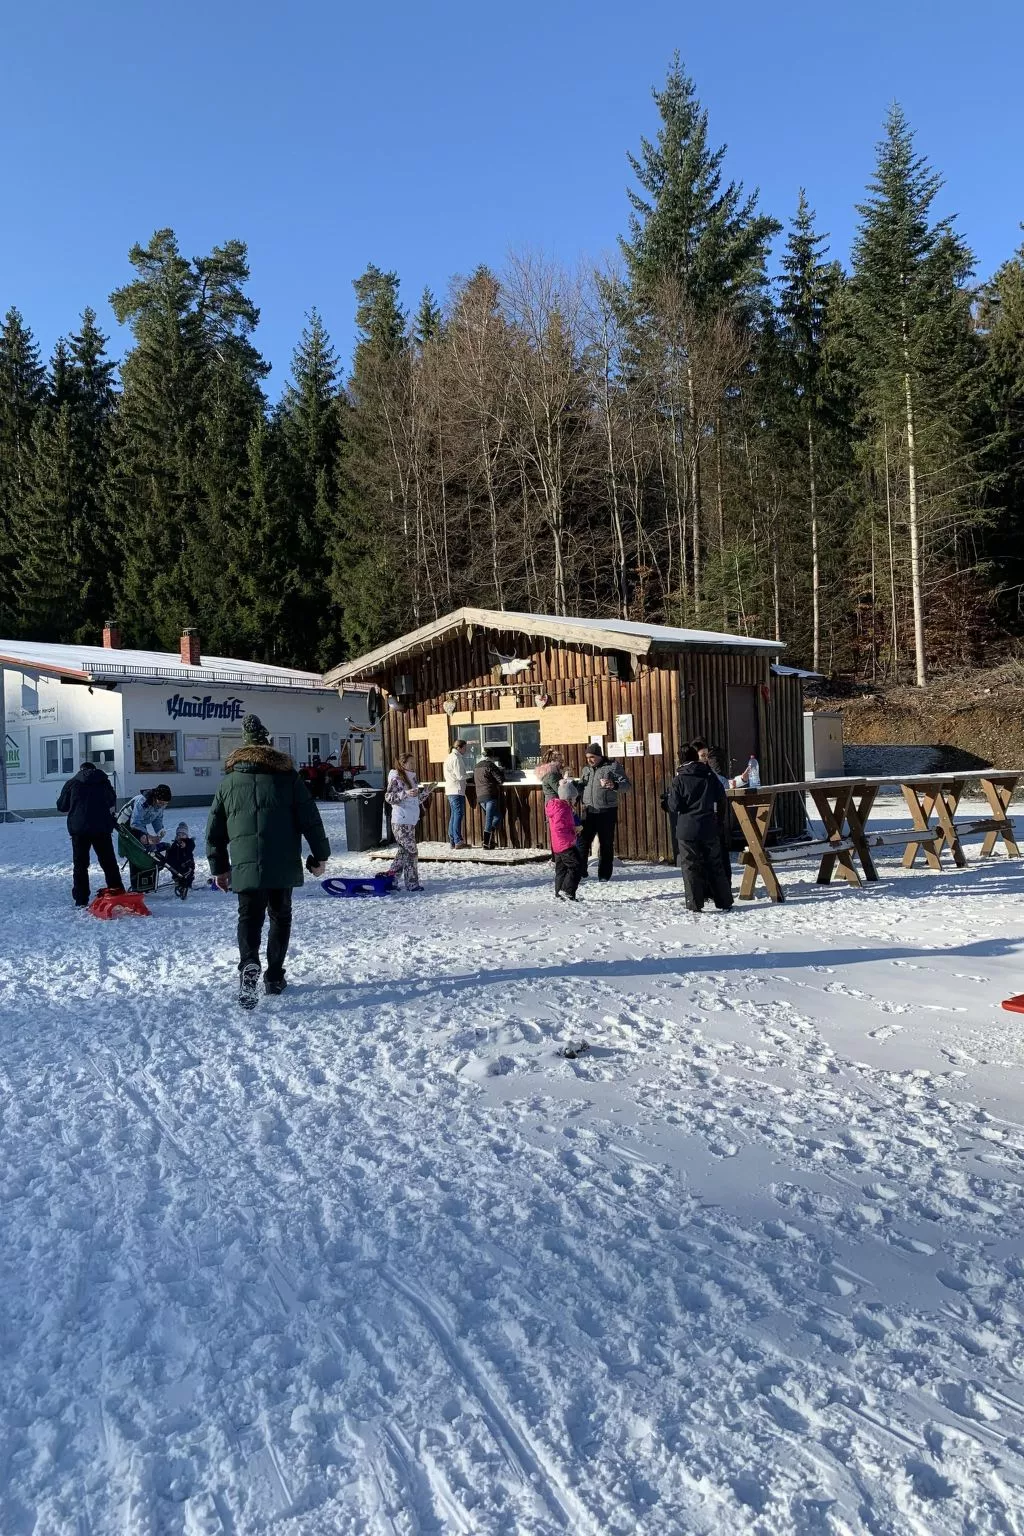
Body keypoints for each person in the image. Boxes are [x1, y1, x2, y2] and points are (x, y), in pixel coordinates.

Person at [206, 714, 329, 1009]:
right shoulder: (288, 777)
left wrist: (219, 868)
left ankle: (248, 966)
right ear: (268, 744)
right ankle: (274, 976)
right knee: (280, 916)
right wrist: (319, 856)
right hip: (282, 862)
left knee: (248, 917)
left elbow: (214, 830)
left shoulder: (229, 782)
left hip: (246, 864)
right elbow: (309, 817)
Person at [666, 746, 733, 912]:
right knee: (715, 864)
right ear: (696, 757)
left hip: (686, 828)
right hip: (708, 825)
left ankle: (695, 903)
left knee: (690, 866)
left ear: (680, 760)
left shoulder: (679, 779)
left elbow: (674, 806)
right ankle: (724, 901)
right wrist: (718, 820)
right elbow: (721, 797)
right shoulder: (709, 775)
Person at [56, 761, 125, 908]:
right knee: (108, 862)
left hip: (79, 829)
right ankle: (117, 890)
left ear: (80, 770)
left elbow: (62, 806)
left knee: (80, 864)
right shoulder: (103, 781)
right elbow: (111, 801)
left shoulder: (72, 783)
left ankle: (81, 898)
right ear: (95, 769)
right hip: (101, 827)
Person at [578, 744, 630, 881]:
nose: (589, 760)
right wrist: (571, 787)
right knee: (582, 842)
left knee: (606, 843)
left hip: (606, 811)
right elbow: (581, 786)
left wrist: (614, 785)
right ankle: (581, 871)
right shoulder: (586, 770)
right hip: (588, 810)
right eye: (587, 757)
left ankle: (604, 875)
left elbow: (627, 785)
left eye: (592, 757)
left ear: (599, 756)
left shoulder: (612, 767)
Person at [385, 753, 430, 890]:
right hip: (400, 821)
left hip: (410, 820)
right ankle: (411, 884)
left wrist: (426, 792)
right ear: (403, 764)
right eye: (410, 763)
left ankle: (390, 881)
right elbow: (389, 797)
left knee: (404, 852)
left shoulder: (411, 778)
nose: (413, 765)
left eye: (414, 762)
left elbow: (414, 801)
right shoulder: (397, 778)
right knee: (411, 852)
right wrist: (405, 793)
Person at [546, 780, 585, 901]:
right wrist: (574, 830)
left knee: (561, 870)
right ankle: (567, 891)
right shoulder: (563, 809)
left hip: (558, 845)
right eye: (574, 798)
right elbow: (560, 827)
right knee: (576, 866)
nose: (575, 801)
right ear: (568, 798)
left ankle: (560, 894)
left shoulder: (559, 807)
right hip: (565, 844)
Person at [474, 749, 505, 850]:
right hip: (490, 795)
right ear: (491, 756)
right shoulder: (491, 765)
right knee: (490, 818)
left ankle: (489, 836)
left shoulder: (476, 766)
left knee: (498, 816)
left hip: (480, 796)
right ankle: (486, 843)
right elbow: (500, 780)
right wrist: (501, 771)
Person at [443, 739, 469, 849]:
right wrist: (470, 775)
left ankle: (453, 840)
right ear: (459, 747)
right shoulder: (456, 758)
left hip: (451, 789)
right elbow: (460, 776)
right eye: (464, 748)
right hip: (457, 790)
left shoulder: (449, 757)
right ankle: (458, 841)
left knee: (454, 815)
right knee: (458, 814)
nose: (465, 750)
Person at [162, 822, 196, 900]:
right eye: (179, 835)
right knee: (177, 876)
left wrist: (185, 846)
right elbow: (170, 853)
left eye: (183, 835)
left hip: (187, 865)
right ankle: (179, 883)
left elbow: (191, 847)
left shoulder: (189, 842)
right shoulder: (175, 844)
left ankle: (186, 886)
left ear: (187, 836)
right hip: (177, 866)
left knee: (187, 877)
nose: (181, 837)